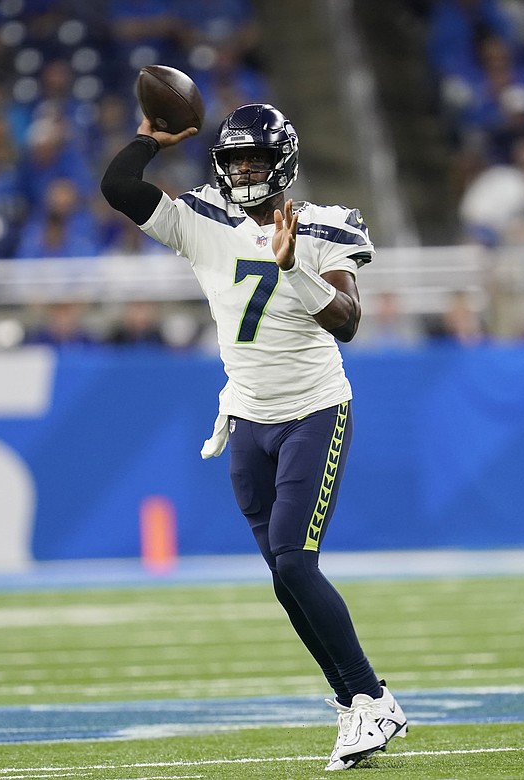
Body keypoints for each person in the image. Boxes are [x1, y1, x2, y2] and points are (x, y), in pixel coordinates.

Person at [100, 102, 406, 771]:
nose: (243, 170)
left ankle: (369, 701)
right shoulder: (206, 220)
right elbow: (120, 189)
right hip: (247, 418)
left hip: (313, 412)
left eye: (255, 160)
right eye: (234, 159)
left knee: (296, 561)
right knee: (284, 577)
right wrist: (150, 138)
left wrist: (291, 264)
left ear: (283, 163)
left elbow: (348, 321)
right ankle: (362, 700)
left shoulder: (325, 224)